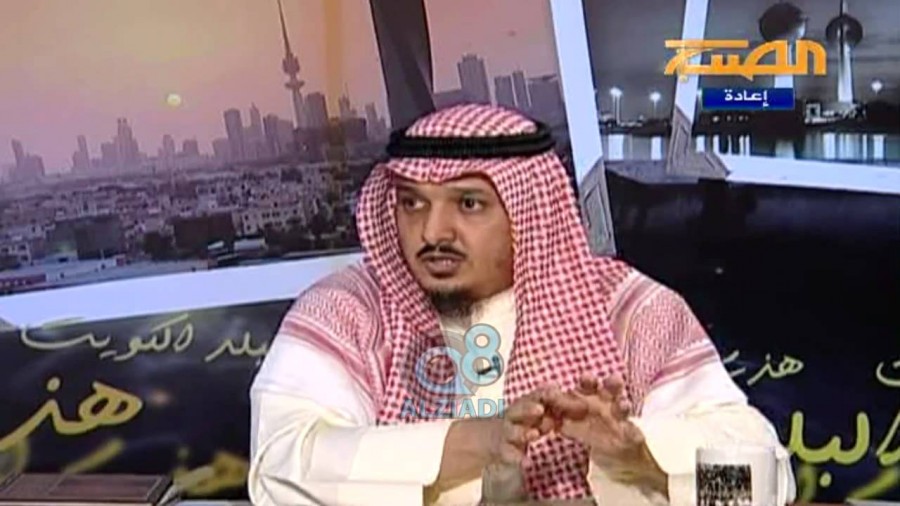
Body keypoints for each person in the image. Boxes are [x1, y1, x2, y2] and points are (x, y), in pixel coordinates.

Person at [248, 104, 796, 506]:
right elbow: (277, 474)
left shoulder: (630, 312)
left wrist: (641, 458)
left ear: (529, 211)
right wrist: (470, 444)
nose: (432, 232)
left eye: (468, 203)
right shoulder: (348, 309)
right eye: (412, 203)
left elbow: (765, 485)